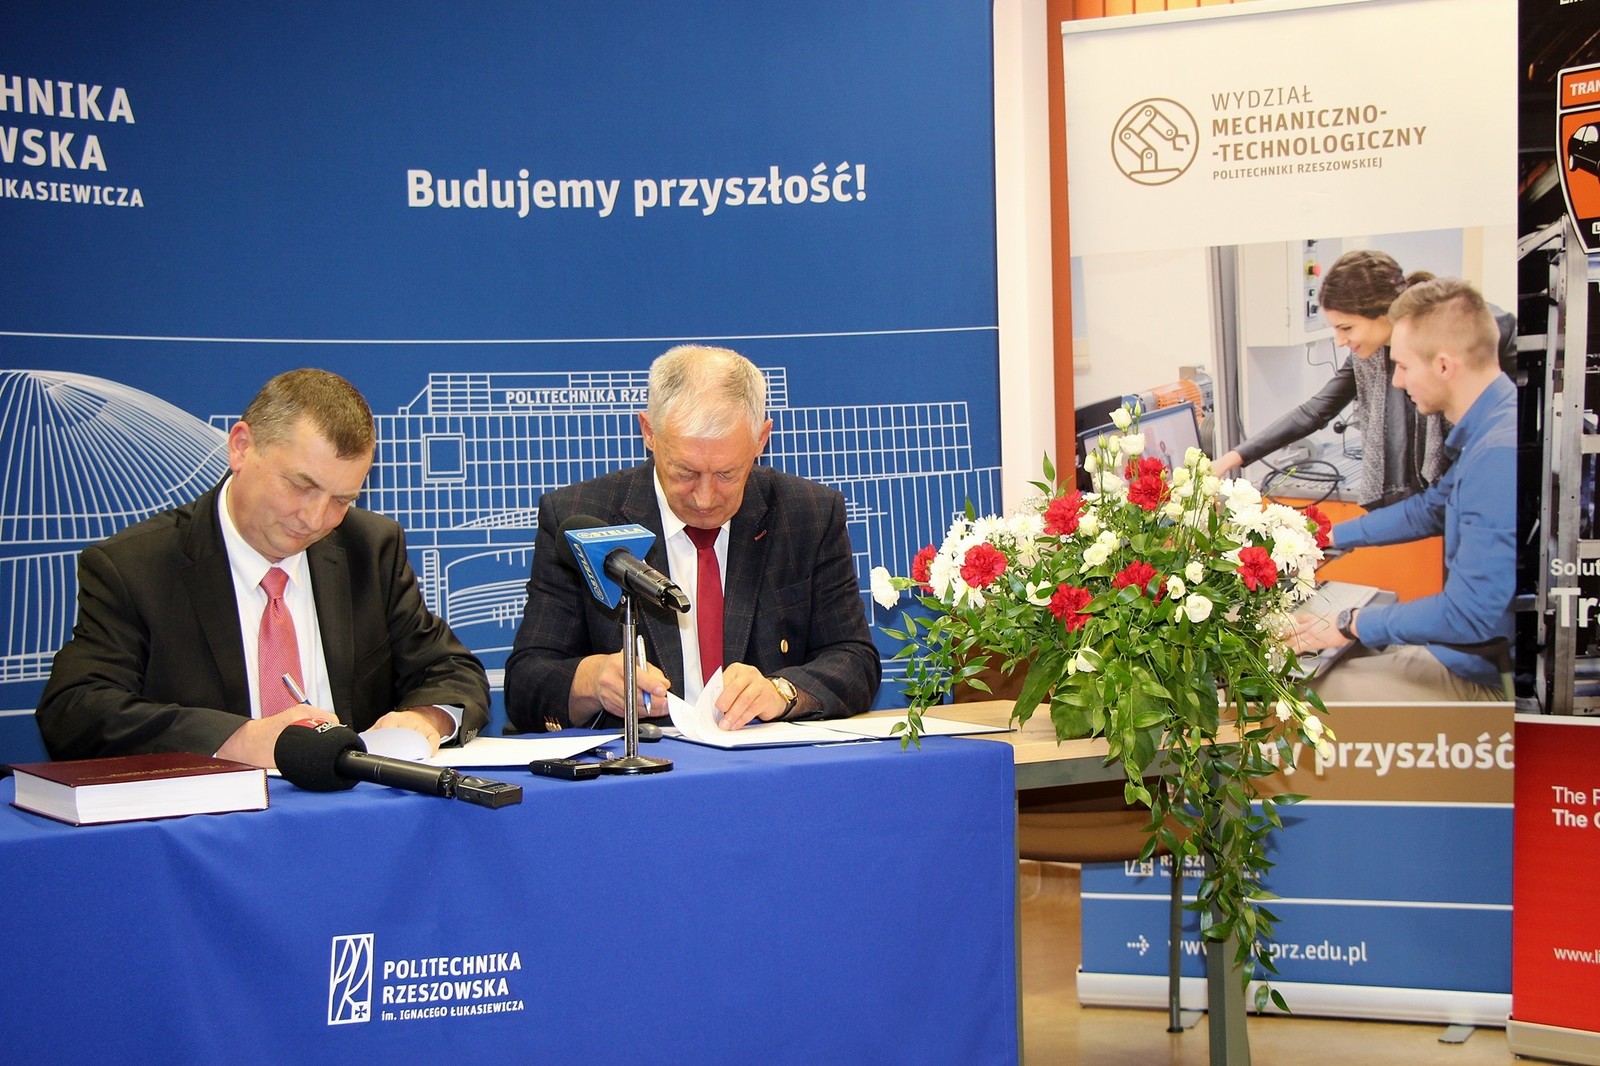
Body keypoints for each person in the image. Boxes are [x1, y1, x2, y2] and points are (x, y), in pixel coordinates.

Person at [36, 369, 489, 768]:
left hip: (350, 813)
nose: (314, 519)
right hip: (211, 822)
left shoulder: (369, 548)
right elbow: (75, 711)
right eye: (300, 485)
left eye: (341, 500)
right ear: (241, 447)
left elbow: (451, 669)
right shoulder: (137, 565)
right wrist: (239, 739)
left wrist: (425, 718)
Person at [505, 344, 880, 732]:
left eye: (726, 475)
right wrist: (592, 681)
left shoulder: (808, 514)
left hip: (762, 760)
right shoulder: (581, 519)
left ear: (761, 439)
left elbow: (855, 660)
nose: (704, 498)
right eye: (685, 472)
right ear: (649, 432)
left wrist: (781, 691)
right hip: (641, 764)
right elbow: (526, 682)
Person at [1290, 278, 1516, 702]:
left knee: (1301, 696)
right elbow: (1431, 509)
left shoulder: (1497, 454)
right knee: (1352, 654)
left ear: (1444, 366)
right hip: (1467, 655)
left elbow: (1468, 614)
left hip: (1485, 682)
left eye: (1404, 367)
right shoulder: (1493, 427)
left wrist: (1350, 622)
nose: (1396, 382)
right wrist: (1328, 536)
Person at [1213, 250, 1516, 508]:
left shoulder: (1474, 336)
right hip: (1436, 504)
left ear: (1384, 313)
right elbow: (1316, 409)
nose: (1340, 341)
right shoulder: (1369, 355)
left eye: (1346, 328)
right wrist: (1232, 458)